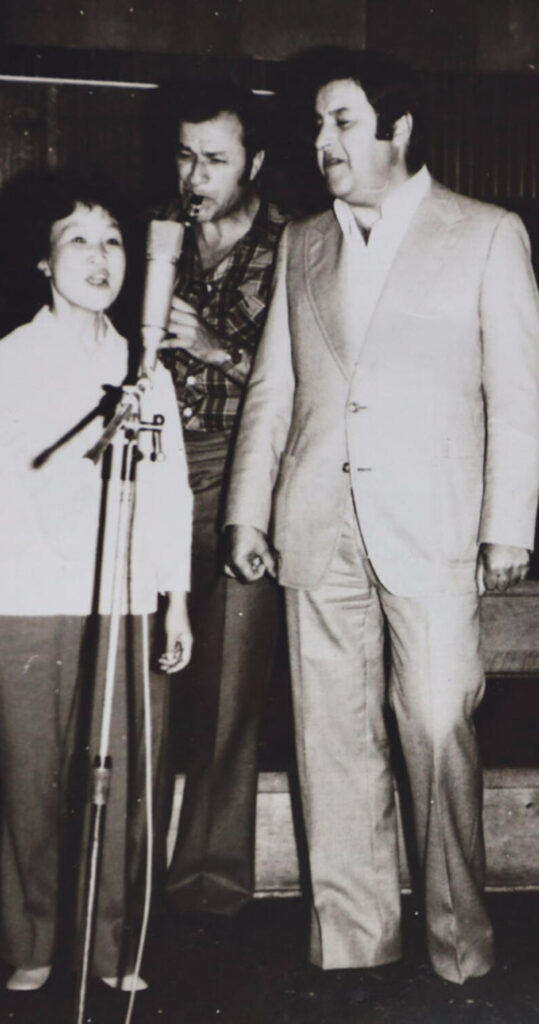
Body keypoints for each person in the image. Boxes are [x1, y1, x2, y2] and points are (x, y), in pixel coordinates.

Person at [225, 49, 539, 985]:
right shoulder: (302, 242)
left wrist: (508, 521)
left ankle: (458, 944)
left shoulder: (485, 233)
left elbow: (518, 392)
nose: (322, 142)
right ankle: (354, 945)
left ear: (397, 129)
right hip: (314, 521)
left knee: (437, 724)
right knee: (329, 739)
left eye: (343, 122)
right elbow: (272, 390)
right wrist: (246, 510)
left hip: (433, 523)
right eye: (317, 126)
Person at [0, 179, 193, 992]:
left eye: (113, 239)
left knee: (121, 786)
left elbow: (169, 490)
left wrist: (175, 598)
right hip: (23, 599)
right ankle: (33, 942)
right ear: (44, 262)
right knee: (32, 781)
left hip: (122, 601)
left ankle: (113, 947)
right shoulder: (2, 364)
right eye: (78, 239)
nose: (99, 256)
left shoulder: (146, 370)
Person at [147, 81, 289, 920]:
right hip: (155, 474)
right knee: (142, 679)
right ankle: (122, 867)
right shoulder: (152, 237)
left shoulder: (298, 246)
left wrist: (215, 349)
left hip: (246, 477)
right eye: (183, 156)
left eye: (214, 160)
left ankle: (207, 885)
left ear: (255, 163)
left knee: (230, 693)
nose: (194, 176)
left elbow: (307, 385)